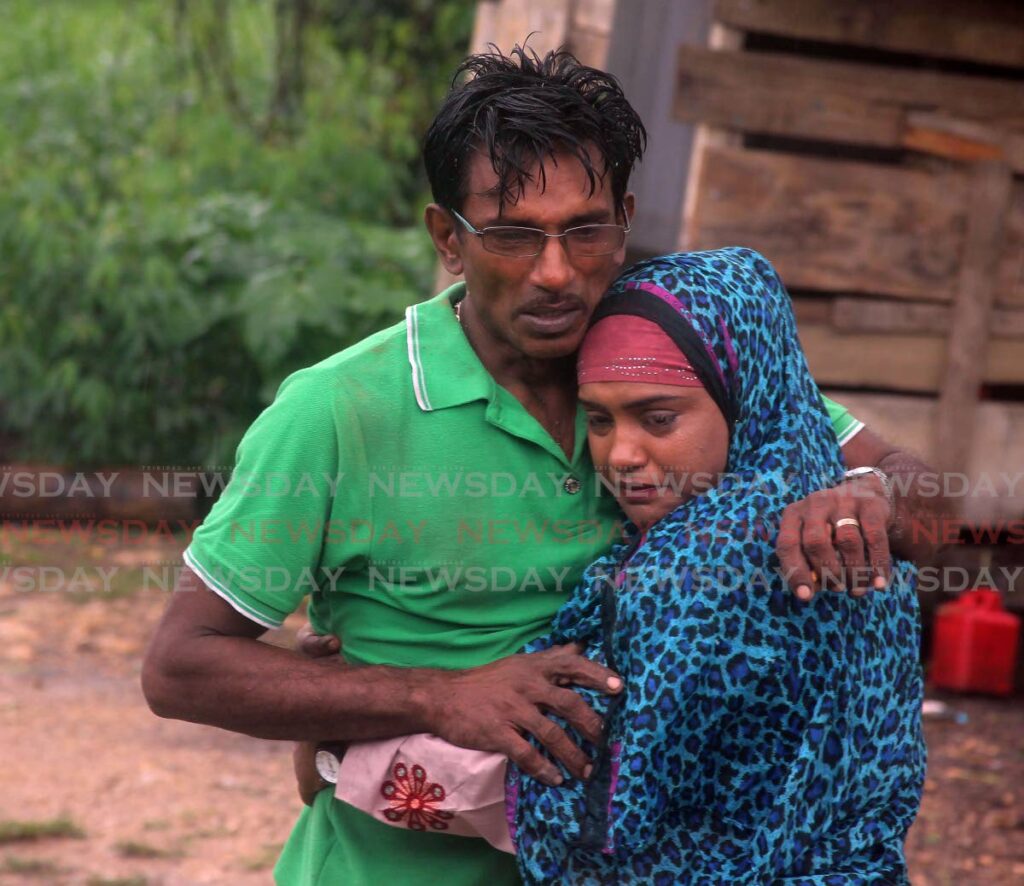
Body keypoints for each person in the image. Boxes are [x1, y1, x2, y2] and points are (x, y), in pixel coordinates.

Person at [142, 47, 940, 884]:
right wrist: (429, 694)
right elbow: (181, 665)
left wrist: (868, 492)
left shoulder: (675, 364)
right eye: (514, 235)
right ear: (449, 238)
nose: (556, 272)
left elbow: (929, 502)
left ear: (626, 220)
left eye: (585, 230)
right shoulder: (339, 410)